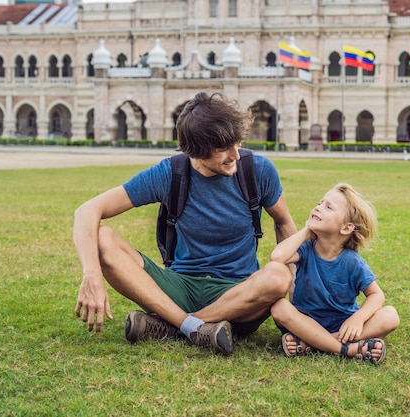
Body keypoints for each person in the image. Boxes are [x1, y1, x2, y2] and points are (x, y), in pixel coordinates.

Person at [73, 91, 297, 356]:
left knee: (278, 275)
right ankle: (192, 326)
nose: (235, 155)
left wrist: (299, 300)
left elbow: (284, 225)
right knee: (103, 239)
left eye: (237, 143)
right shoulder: (171, 173)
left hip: (239, 294)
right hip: (179, 285)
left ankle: (174, 325)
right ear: (196, 151)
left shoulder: (257, 170)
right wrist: (91, 274)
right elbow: (87, 211)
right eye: (224, 148)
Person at [270, 183, 399, 364]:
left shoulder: (352, 262)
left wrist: (358, 319)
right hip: (305, 322)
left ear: (346, 228)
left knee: (390, 315)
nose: (318, 207)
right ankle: (346, 349)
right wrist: (307, 230)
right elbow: (277, 257)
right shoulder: (306, 249)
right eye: (320, 203)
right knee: (278, 307)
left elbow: (376, 295)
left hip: (342, 325)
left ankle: (313, 344)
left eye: (328, 207)